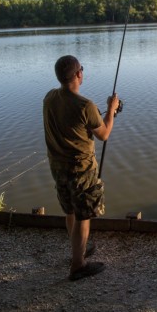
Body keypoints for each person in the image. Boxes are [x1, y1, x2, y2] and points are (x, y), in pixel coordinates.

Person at [43, 55, 119, 281]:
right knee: (84, 215)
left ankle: (78, 250)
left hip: (57, 167)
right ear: (78, 75)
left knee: (70, 211)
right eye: (81, 70)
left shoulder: (49, 98)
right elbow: (104, 133)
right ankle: (78, 265)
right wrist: (111, 109)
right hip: (80, 169)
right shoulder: (85, 105)